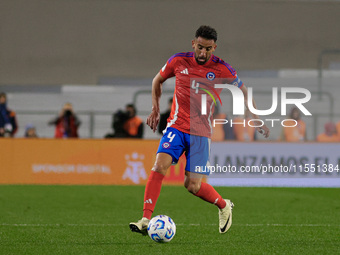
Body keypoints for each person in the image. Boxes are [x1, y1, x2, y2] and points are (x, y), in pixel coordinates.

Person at [129, 25, 270, 235]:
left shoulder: (223, 69)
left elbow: (243, 92)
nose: (203, 53)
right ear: (193, 43)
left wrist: (256, 118)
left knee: (192, 185)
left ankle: (224, 205)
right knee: (159, 166)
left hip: (201, 133)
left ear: (215, 47)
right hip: (176, 126)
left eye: (208, 49)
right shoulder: (178, 61)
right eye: (200, 47)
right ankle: (145, 219)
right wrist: (155, 110)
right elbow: (157, 80)